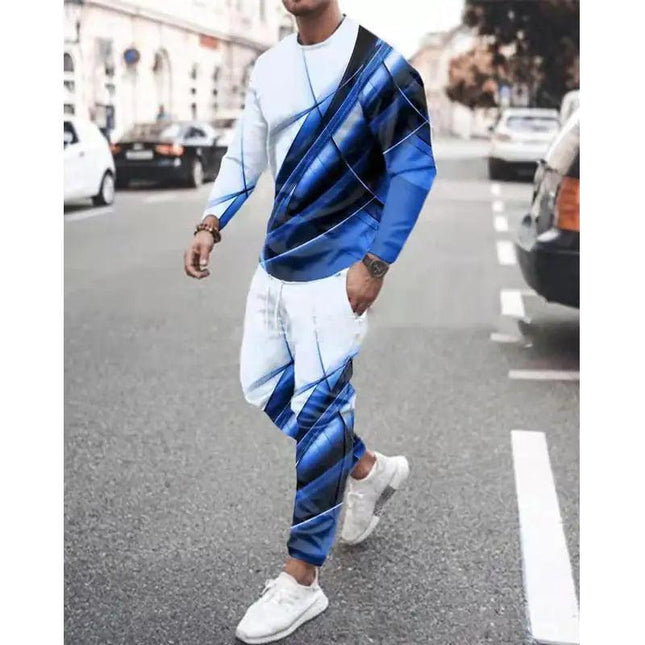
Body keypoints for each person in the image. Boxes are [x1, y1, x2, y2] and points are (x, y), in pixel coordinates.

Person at [184, 1, 436, 641]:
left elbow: (413, 167)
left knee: (321, 412)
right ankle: (368, 468)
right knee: (264, 385)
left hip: (338, 275)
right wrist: (211, 222)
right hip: (276, 266)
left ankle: (301, 580)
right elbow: (245, 156)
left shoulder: (382, 68)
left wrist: (375, 264)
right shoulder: (269, 67)